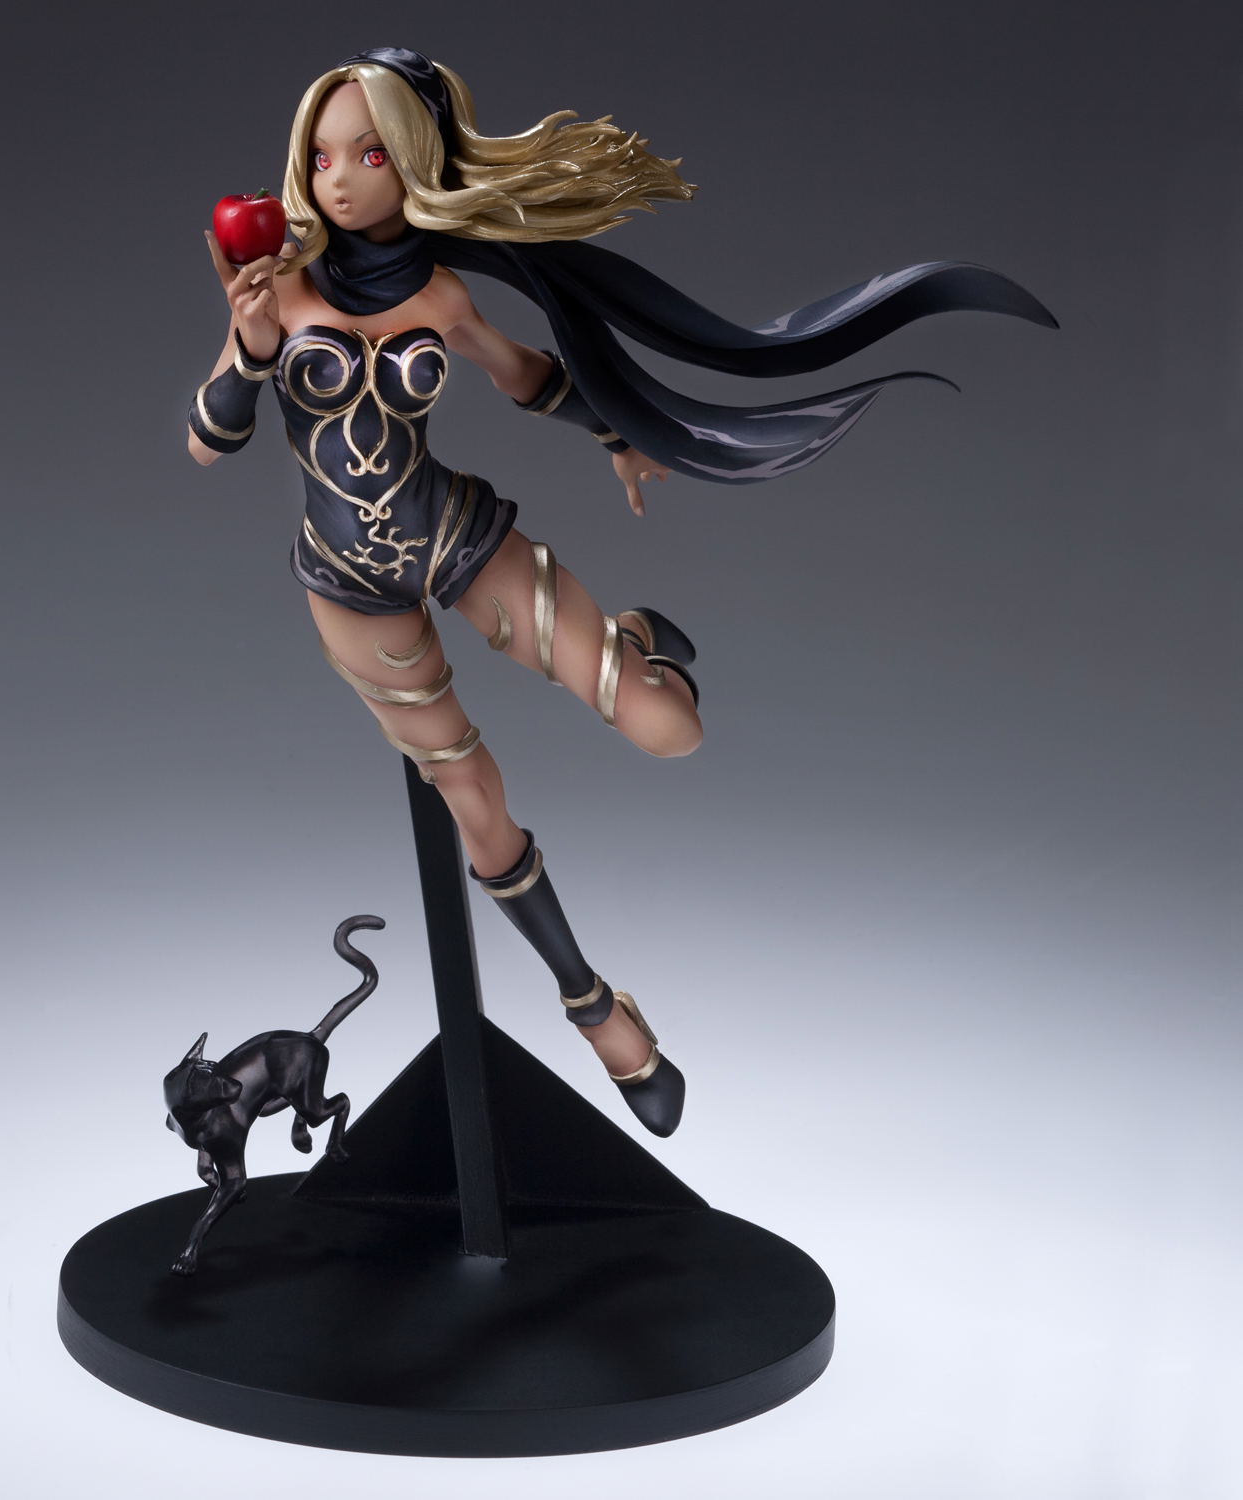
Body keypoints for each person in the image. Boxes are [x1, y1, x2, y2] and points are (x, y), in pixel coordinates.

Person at [185, 48, 1055, 1138]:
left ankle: (634, 641)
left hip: (452, 535)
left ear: (414, 163)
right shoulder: (279, 291)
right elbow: (207, 443)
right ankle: (597, 1011)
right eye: (321, 158)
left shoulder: (440, 295)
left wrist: (618, 429)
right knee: (477, 807)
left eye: (368, 155)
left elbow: (521, 373)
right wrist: (251, 350)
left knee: (669, 729)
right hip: (352, 590)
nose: (338, 180)